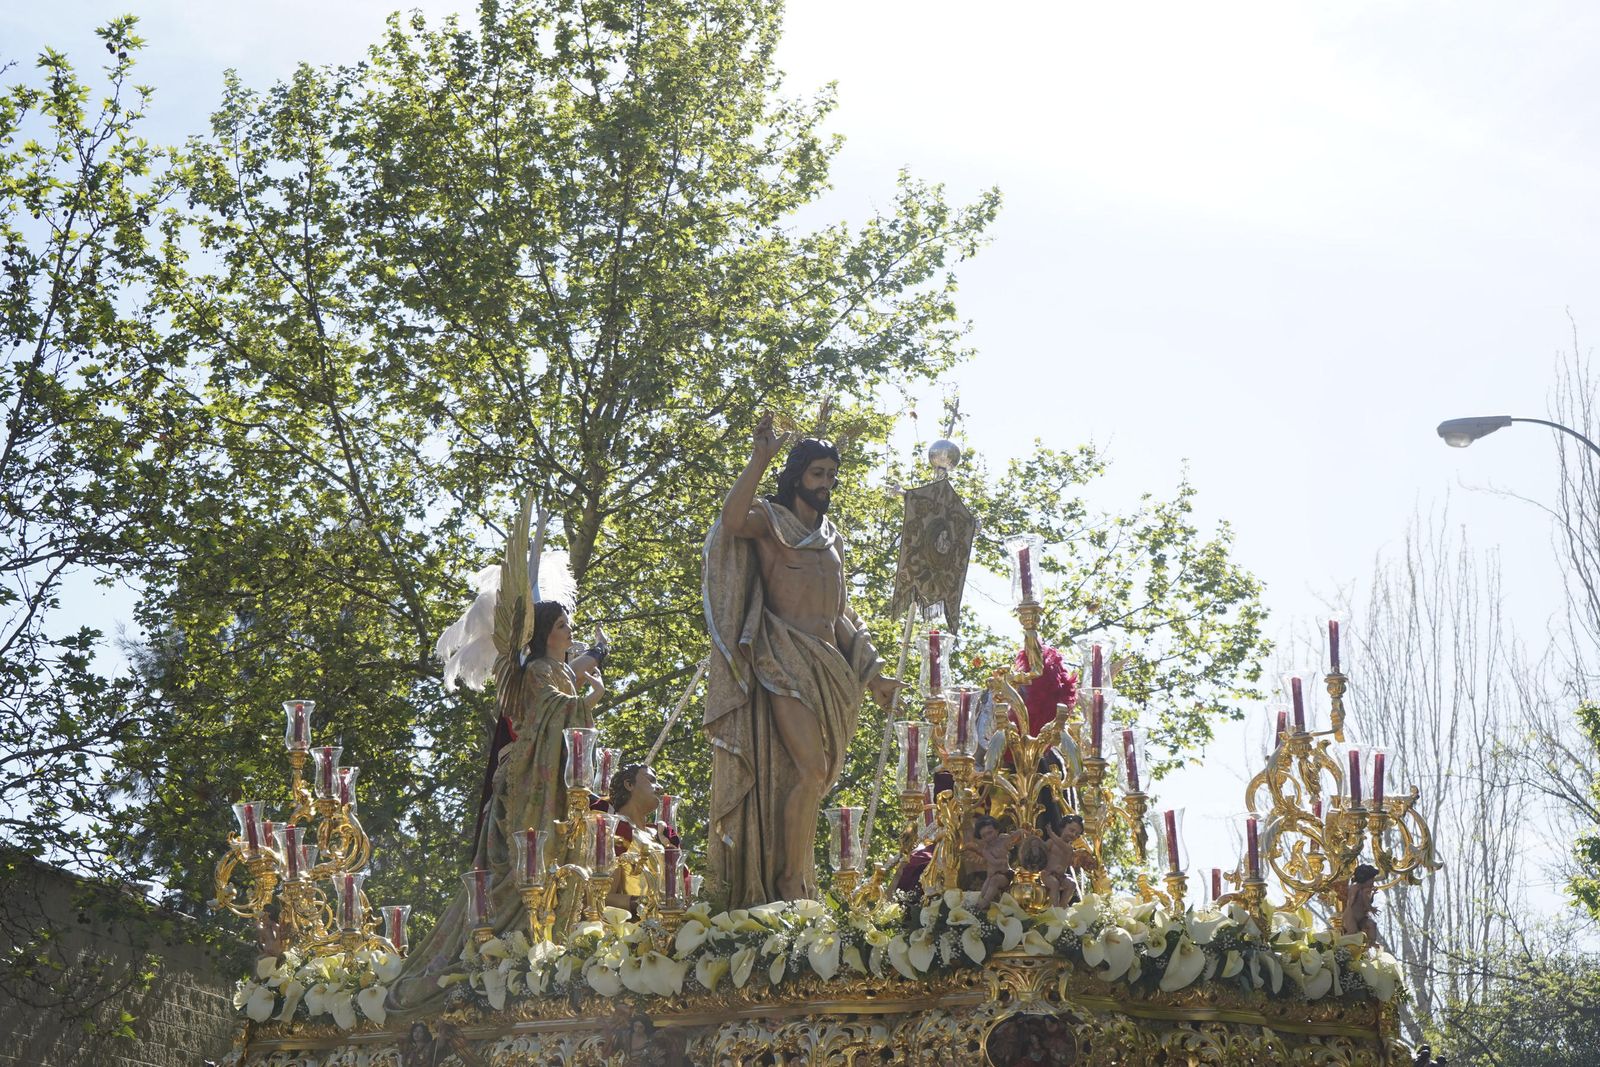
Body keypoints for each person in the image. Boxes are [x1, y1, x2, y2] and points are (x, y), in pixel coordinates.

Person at [388, 503, 606, 1014]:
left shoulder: (560, 670)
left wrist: (583, 690)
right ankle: (509, 941)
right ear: (546, 632)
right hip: (527, 783)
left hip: (552, 781)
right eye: (565, 628)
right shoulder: (537, 674)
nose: (571, 635)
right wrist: (587, 698)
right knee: (525, 863)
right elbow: (550, 714)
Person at [703, 414, 899, 904]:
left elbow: (841, 615)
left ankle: (800, 875)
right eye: (817, 474)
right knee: (810, 771)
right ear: (797, 476)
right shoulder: (770, 521)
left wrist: (873, 674)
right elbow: (730, 522)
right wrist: (759, 457)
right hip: (782, 659)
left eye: (831, 475)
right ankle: (791, 881)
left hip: (828, 667)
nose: (825, 484)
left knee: (810, 778)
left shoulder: (833, 540)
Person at [605, 764, 680, 913]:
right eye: (651, 780)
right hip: (629, 930)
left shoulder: (659, 836)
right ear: (629, 784)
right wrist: (645, 903)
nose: (659, 788)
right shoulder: (615, 828)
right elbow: (601, 896)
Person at [964, 815, 1022, 909]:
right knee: (984, 890)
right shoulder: (986, 850)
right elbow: (994, 861)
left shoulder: (1003, 839)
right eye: (984, 836)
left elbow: (1014, 837)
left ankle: (984, 904)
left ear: (996, 830)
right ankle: (979, 904)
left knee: (994, 881)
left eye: (990, 832)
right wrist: (1002, 860)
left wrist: (1021, 831)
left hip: (1006, 873)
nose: (988, 837)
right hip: (992, 875)